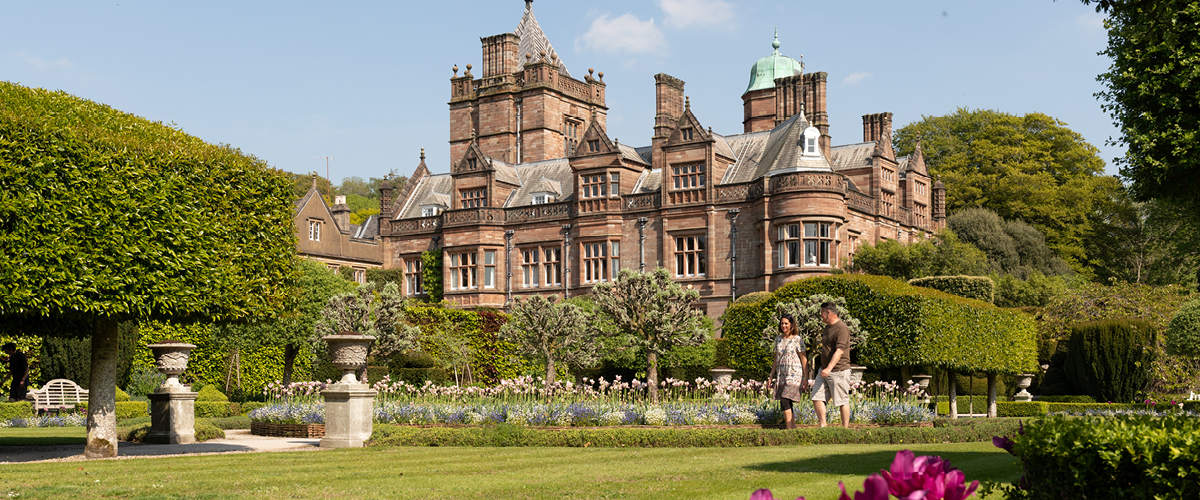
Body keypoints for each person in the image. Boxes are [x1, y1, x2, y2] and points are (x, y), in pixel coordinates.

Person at [811, 302, 851, 428]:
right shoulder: (827, 327)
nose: (820, 316)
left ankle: (845, 430)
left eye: (822, 313)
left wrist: (829, 368)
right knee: (816, 397)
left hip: (838, 370)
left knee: (842, 401)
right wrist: (825, 368)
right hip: (824, 371)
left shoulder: (842, 328)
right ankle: (823, 427)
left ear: (828, 313)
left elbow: (839, 350)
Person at [768, 313, 808, 429]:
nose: (783, 325)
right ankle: (793, 428)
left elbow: (804, 358)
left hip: (794, 373)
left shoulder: (797, 339)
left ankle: (789, 430)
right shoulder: (778, 339)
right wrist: (771, 375)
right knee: (788, 401)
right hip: (782, 374)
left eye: (786, 323)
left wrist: (806, 377)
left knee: (784, 400)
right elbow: (776, 358)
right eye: (782, 323)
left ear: (791, 325)